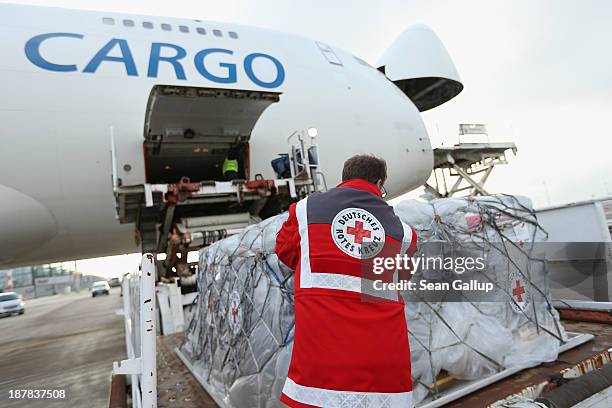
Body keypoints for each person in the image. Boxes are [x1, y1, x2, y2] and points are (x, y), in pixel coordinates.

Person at [275, 154, 418, 408]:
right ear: (378, 183)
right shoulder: (404, 233)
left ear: (344, 179)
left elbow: (285, 251)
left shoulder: (306, 210)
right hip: (384, 365)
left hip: (324, 361)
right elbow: (401, 276)